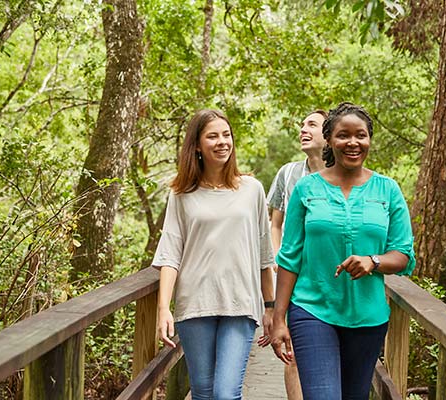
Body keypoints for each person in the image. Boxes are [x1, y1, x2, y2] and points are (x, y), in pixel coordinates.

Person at [270, 102, 416, 399]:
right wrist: (278, 318)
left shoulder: (388, 190)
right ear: (330, 140)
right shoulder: (306, 189)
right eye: (343, 135)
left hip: (368, 317)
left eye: (360, 135)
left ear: (369, 140)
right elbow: (290, 256)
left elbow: (403, 255)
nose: (352, 142)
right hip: (312, 309)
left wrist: (373, 261)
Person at [152, 109, 275, 400]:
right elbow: (171, 253)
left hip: (240, 304)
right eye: (212, 136)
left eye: (226, 135)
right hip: (195, 304)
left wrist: (270, 307)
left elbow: (263, 253)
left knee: (225, 394)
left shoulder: (252, 189)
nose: (222, 142)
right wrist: (163, 309)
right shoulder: (182, 194)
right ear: (196, 145)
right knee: (204, 393)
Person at [265, 109, 327, 400]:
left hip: (328, 277)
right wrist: (278, 257)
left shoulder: (342, 173)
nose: (304, 129)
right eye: (302, 124)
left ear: (328, 135)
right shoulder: (288, 173)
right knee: (294, 350)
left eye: (312, 125)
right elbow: (274, 224)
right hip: (292, 276)